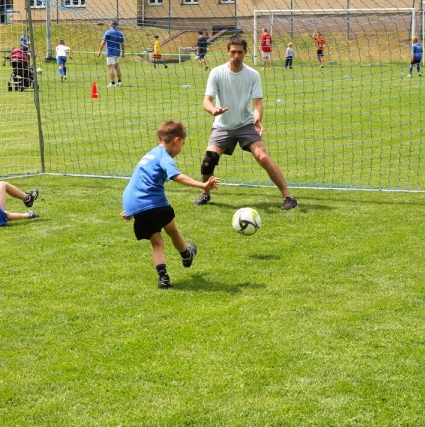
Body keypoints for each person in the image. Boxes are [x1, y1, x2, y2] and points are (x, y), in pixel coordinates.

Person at [195, 36, 298, 211]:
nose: (236, 56)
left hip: (246, 124)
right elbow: (207, 100)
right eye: (233, 52)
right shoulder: (216, 73)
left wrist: (257, 118)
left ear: (245, 53)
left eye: (240, 52)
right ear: (228, 52)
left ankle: (288, 197)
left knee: (263, 157)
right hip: (223, 125)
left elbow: (257, 103)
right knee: (208, 160)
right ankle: (205, 193)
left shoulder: (252, 74)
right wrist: (213, 110)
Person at [121, 121, 219, 289]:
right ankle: (186, 255)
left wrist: (130, 210)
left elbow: (136, 182)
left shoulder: (149, 155)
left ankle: (163, 278)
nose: (181, 148)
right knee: (173, 231)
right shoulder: (164, 157)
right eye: (182, 144)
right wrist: (203, 185)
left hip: (134, 203)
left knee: (157, 243)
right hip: (155, 203)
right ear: (176, 140)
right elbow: (176, 176)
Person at [96, 20, 125, 87]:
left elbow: (103, 42)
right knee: (117, 67)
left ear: (111, 25)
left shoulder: (108, 32)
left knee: (111, 67)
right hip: (117, 52)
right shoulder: (120, 33)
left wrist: (99, 51)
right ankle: (120, 82)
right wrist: (123, 53)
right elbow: (122, 44)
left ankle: (112, 83)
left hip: (110, 52)